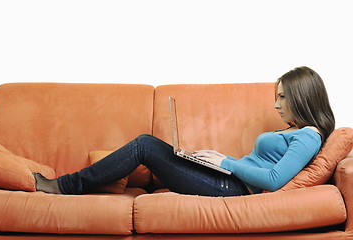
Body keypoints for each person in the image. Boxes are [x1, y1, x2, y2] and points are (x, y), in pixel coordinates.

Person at [33, 66, 335, 196]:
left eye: (283, 97)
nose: (276, 105)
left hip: (230, 189)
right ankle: (67, 185)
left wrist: (225, 164)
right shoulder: (298, 131)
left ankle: (65, 186)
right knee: (149, 145)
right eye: (277, 96)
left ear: (302, 96)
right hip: (226, 178)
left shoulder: (308, 136)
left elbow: (273, 180)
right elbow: (259, 167)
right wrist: (219, 158)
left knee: (144, 145)